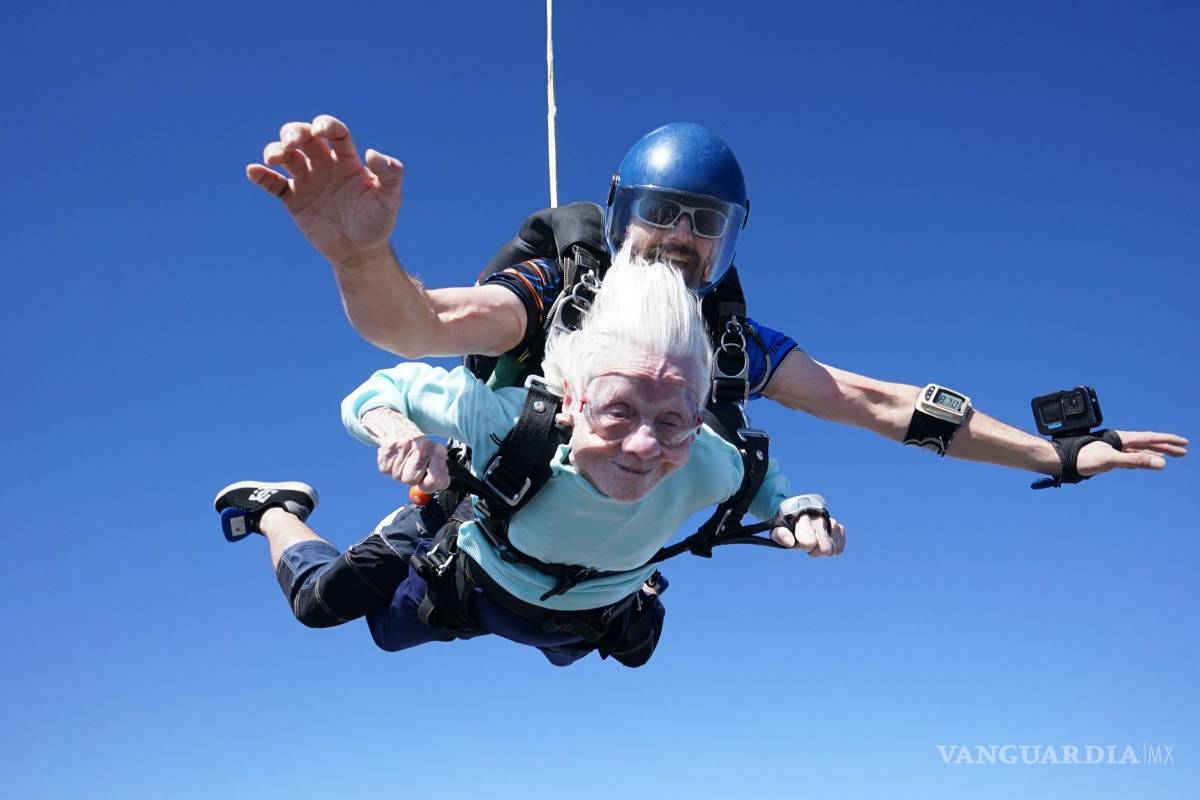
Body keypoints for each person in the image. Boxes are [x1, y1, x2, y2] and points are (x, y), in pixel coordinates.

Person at [246, 114, 1187, 489]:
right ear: (619, 217)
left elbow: (881, 405)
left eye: (709, 224)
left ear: (733, 238)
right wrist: (362, 260)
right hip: (491, 501)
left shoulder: (729, 345)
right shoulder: (555, 293)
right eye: (663, 214)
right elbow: (423, 324)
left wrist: (1056, 454)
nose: (683, 239)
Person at [214, 255, 846, 667]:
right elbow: (373, 394)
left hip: (582, 612)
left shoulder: (712, 461)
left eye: (675, 420)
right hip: (467, 570)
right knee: (332, 610)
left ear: (698, 413)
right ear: (571, 398)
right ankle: (278, 511)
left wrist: (800, 509)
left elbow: (762, 480)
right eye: (618, 411)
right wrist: (404, 433)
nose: (645, 446)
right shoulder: (507, 418)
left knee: (634, 648)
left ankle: (622, 587)